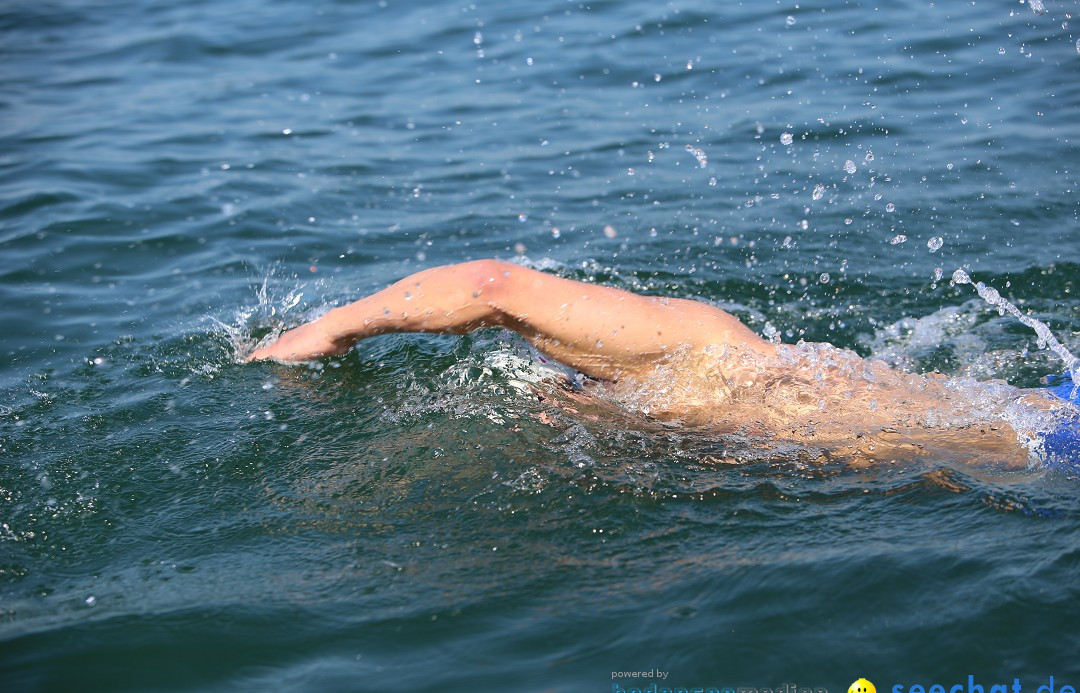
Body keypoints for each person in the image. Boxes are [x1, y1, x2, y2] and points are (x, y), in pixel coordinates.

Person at [246, 259, 1076, 469]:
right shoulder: (704, 352)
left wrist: (323, 334)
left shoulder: (703, 357)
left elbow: (489, 286)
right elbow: (490, 290)